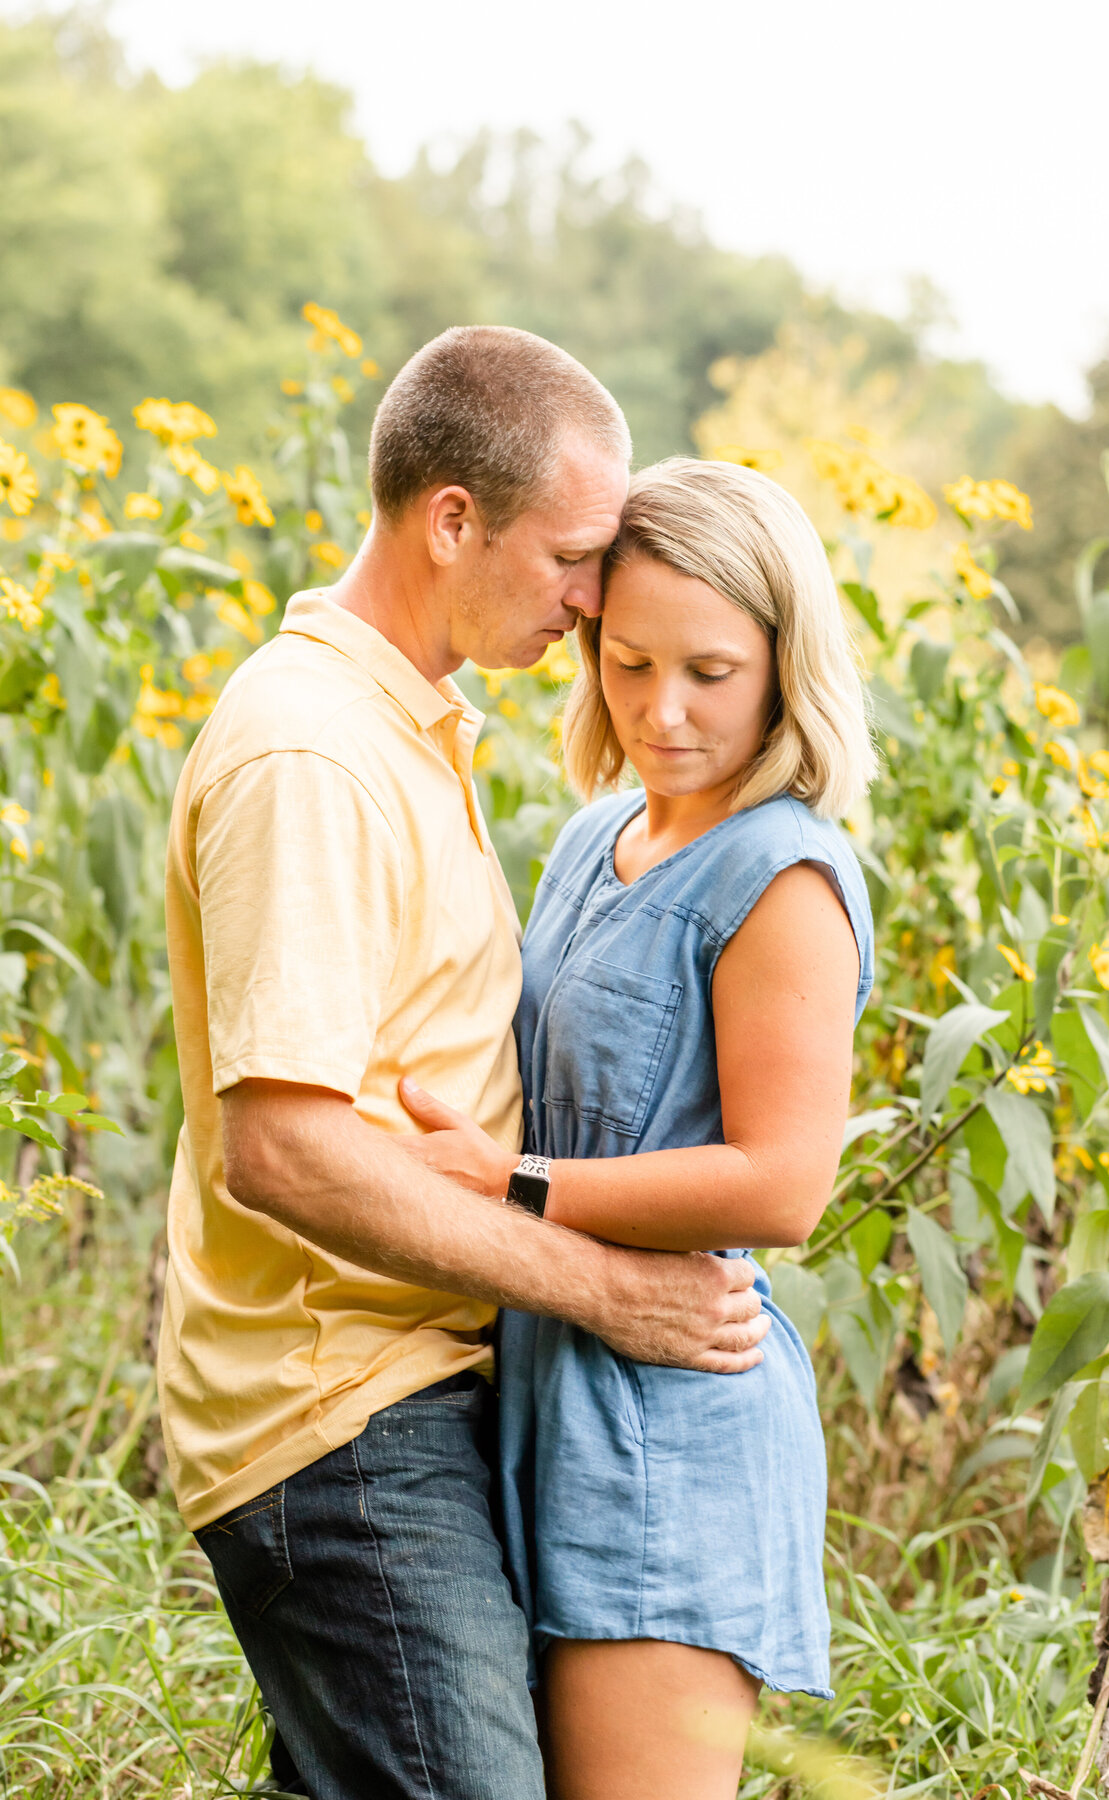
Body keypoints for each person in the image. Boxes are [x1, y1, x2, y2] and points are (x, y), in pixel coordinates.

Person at [159, 330, 772, 1800]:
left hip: (416, 1393)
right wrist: (606, 1287)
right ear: (451, 520)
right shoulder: (313, 754)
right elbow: (284, 1147)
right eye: (572, 556)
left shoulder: (402, 732)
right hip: (341, 1416)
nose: (590, 595)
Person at [400, 456, 877, 1800]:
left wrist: (511, 1184)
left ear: (788, 663)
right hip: (545, 1379)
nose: (661, 711)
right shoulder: (598, 833)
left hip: (673, 1411)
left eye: (711, 673)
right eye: (628, 662)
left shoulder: (780, 873)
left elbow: (782, 1183)